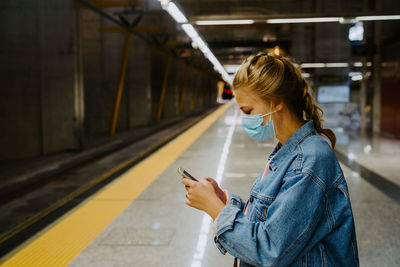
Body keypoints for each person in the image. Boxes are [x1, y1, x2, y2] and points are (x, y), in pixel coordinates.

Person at [181, 52, 359, 267]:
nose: (246, 119)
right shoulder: (286, 153)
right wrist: (224, 202)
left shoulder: (310, 160)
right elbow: (270, 222)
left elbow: (270, 250)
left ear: (276, 103)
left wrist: (214, 209)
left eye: (248, 110)